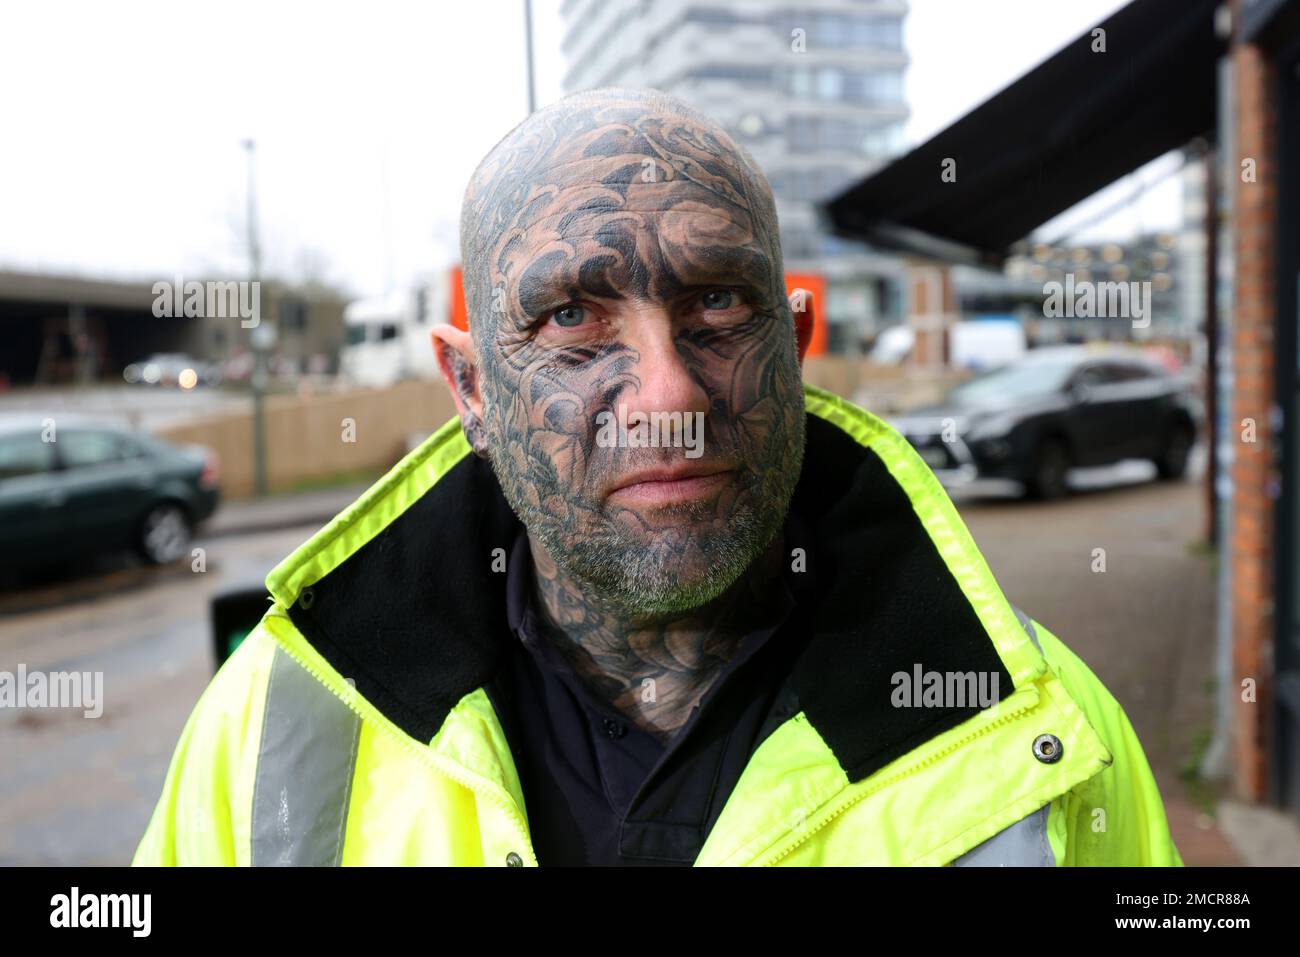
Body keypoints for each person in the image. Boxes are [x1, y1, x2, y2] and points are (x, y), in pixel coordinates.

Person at [134, 88, 1180, 867]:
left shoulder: (1038, 727)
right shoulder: (278, 719)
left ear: (795, 344)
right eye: (571, 318)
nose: (665, 394)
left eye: (719, 303)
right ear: (471, 390)